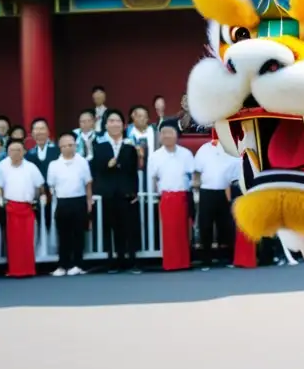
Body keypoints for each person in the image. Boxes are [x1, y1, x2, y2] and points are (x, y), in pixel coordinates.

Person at [91, 110, 139, 273]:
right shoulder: (99, 146)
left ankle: (131, 260)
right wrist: (107, 165)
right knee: (110, 228)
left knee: (128, 228)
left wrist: (135, 192)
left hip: (126, 193)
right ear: (105, 125)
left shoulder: (130, 145)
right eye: (111, 121)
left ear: (123, 125)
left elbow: (133, 171)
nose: (115, 124)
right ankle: (113, 261)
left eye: (118, 121)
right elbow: (96, 170)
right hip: (108, 193)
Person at [147, 121, 194, 271]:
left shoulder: (186, 154)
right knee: (169, 232)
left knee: (183, 231)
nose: (166, 136)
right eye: (163, 133)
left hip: (182, 196)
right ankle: (171, 263)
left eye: (170, 132)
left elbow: (192, 175)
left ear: (177, 135)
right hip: (166, 197)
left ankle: (184, 262)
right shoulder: (155, 156)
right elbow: (152, 178)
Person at [0, 140, 45, 278]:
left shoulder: (31, 167)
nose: (15, 153)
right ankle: (15, 270)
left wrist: (41, 197)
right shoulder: (1, 166)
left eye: (18, 150)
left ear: (24, 151)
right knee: (14, 241)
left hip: (28, 207)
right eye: (12, 150)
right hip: (11, 207)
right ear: (7, 152)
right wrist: (0, 202)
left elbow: (40, 186)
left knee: (28, 239)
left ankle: (29, 269)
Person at [46, 132, 92, 277]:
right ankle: (62, 265)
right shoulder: (54, 165)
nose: (68, 148)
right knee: (63, 235)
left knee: (78, 234)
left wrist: (89, 203)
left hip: (79, 200)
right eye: (64, 145)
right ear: (60, 147)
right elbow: (51, 186)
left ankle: (78, 264)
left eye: (71, 145)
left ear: (75, 145)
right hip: (62, 202)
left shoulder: (82, 161)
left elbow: (88, 183)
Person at [193, 132, 241, 266]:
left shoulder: (232, 149)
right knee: (205, 225)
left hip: (225, 190)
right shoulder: (204, 148)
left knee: (226, 225)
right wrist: (196, 188)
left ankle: (226, 257)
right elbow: (197, 170)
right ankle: (206, 259)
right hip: (207, 191)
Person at [26, 118, 60, 232]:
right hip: (36, 196)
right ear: (32, 134)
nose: (39, 132)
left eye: (42, 128)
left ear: (48, 132)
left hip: (56, 195)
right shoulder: (29, 154)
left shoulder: (57, 151)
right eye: (36, 129)